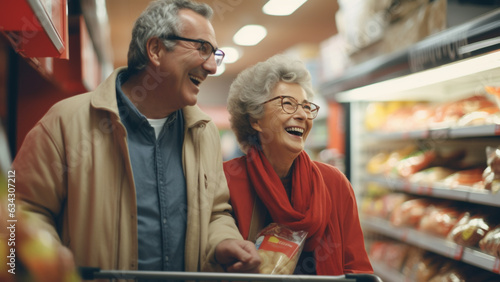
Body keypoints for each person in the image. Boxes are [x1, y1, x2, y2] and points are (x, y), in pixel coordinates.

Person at [12, 0, 261, 277]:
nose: (212, 66)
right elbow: (19, 212)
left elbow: (215, 212)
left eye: (215, 53)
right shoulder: (65, 123)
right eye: (202, 48)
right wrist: (53, 269)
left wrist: (224, 241)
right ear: (155, 49)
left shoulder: (204, 132)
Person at [223, 54, 374, 275]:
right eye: (288, 104)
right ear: (255, 119)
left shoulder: (333, 183)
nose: (302, 115)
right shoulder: (227, 180)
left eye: (306, 106)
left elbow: (357, 268)